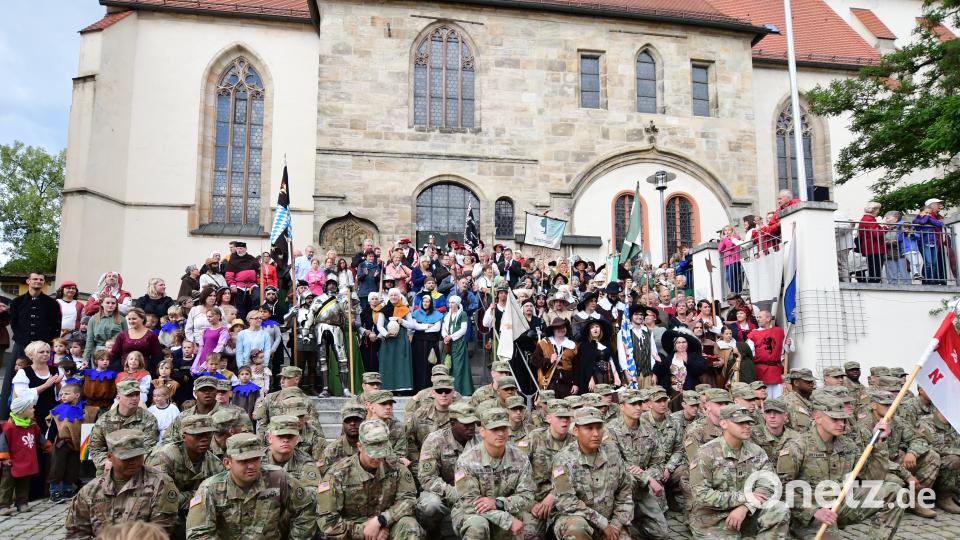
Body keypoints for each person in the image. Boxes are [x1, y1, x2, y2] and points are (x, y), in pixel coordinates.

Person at [777, 396, 904, 539]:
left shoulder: (847, 445)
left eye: (843, 419)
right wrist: (813, 511)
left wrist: (879, 441)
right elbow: (782, 489)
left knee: (895, 492)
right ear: (818, 418)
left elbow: (873, 478)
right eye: (835, 419)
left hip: (840, 505)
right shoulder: (797, 447)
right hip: (808, 515)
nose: (841, 424)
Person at [186, 433, 316, 539]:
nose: (251, 466)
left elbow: (305, 509)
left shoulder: (277, 478)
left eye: (255, 459)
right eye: (243, 461)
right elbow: (198, 534)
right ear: (227, 463)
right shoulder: (210, 489)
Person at [690, 404, 790, 538]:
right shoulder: (706, 453)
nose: (747, 426)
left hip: (749, 512)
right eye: (740, 422)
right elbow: (701, 495)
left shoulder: (756, 451)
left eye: (748, 422)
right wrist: (745, 497)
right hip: (713, 518)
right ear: (724, 424)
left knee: (779, 508)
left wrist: (746, 507)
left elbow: (769, 484)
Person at [317, 419, 422, 539]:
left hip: (386, 524)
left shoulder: (396, 467)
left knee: (409, 525)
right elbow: (327, 520)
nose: (378, 458)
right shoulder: (337, 474)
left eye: (382, 452)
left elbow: (409, 500)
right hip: (351, 530)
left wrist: (382, 520)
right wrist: (363, 531)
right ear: (360, 446)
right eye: (373, 453)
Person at [65, 429, 180, 539]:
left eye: (138, 456)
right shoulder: (90, 491)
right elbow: (76, 533)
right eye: (126, 458)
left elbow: (161, 529)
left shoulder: (161, 484)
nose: (133, 462)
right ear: (110, 457)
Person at [550, 406, 634, 540]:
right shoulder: (563, 459)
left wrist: (616, 525)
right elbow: (566, 501)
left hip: (610, 522)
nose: (596, 433)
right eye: (589, 428)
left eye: (599, 427)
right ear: (576, 431)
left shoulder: (612, 453)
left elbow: (625, 492)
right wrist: (602, 523)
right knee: (577, 529)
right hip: (576, 519)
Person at [452, 407, 537, 540]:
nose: (501, 434)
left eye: (504, 428)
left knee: (531, 529)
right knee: (477, 525)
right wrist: (506, 519)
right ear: (482, 432)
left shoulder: (520, 458)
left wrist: (499, 503)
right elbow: (469, 503)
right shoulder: (466, 460)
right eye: (495, 429)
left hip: (507, 508)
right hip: (471, 513)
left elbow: (528, 495)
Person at [605, 390, 670, 538]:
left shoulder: (649, 430)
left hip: (641, 490)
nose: (638, 407)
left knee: (661, 534)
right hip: (619, 493)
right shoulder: (611, 430)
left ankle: (636, 523)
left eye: (640, 403)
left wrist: (644, 475)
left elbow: (659, 463)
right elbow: (616, 464)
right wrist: (646, 477)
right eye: (633, 404)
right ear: (622, 406)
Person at [1, 272, 61, 420]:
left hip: (42, 348)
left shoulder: (51, 303)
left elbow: (55, 325)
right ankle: (5, 415)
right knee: (11, 377)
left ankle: (40, 414)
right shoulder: (17, 302)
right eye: (35, 279)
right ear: (28, 281)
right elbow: (14, 323)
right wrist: (25, 342)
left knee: (42, 377)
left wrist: (46, 344)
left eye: (41, 280)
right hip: (21, 345)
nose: (38, 281)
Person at [145, 414, 224, 523]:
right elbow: (161, 498)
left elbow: (220, 497)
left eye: (208, 434)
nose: (204, 439)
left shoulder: (215, 463)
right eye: (198, 435)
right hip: (162, 516)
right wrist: (202, 496)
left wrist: (185, 497)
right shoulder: (164, 457)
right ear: (183, 436)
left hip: (199, 516)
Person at [417, 402, 479, 535]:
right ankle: (432, 534)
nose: (471, 428)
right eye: (466, 424)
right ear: (452, 423)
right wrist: (453, 493)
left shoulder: (481, 439)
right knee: (431, 505)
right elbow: (427, 478)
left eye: (473, 423)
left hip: (475, 491)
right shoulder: (435, 440)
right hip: (443, 492)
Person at [87, 380, 160, 473]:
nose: (135, 398)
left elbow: (148, 448)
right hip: (111, 469)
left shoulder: (148, 419)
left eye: (137, 394)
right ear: (118, 397)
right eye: (129, 395)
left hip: (137, 468)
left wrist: (127, 465)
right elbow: (95, 447)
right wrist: (105, 461)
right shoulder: (104, 420)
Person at [0, 391, 49, 515]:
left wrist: (47, 446)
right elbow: (3, 443)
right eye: (30, 407)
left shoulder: (32, 425)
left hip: (27, 459)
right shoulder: (9, 427)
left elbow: (39, 437)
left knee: (24, 483)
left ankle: (22, 502)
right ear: (21, 411)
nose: (33, 409)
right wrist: (4, 458)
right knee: (7, 484)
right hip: (11, 462)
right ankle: (4, 505)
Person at [404, 376, 454, 477]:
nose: (443, 394)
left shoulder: (460, 415)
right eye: (439, 391)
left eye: (447, 391)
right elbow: (409, 440)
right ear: (433, 393)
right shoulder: (420, 414)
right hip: (423, 464)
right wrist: (418, 460)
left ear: (453, 393)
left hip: (453, 467)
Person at [11, 340, 62, 432]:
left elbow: (61, 395)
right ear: (31, 355)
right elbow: (22, 395)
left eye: (48, 352)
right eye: (41, 352)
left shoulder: (57, 370)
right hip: (32, 415)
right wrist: (46, 385)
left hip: (52, 414)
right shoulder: (24, 372)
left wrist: (58, 384)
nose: (46, 354)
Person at [46, 382, 84, 503]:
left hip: (77, 443)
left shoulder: (85, 409)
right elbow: (53, 427)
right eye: (62, 394)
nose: (63, 396)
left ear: (77, 395)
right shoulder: (58, 410)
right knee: (58, 466)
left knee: (73, 466)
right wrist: (49, 442)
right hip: (61, 443)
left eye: (67, 394)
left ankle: (68, 489)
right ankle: (54, 491)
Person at [917, 406, 960, 514]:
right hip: (931, 461)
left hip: (950, 458)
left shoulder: (955, 423)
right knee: (954, 460)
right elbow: (935, 447)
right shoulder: (926, 422)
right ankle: (944, 497)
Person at [263, 415, 320, 490]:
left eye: (290, 436)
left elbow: (312, 494)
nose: (285, 440)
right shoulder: (258, 460)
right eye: (280, 436)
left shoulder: (306, 462)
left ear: (297, 439)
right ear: (270, 438)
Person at [376, 288, 414, 393]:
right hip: (388, 340)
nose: (393, 297)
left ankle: (402, 388)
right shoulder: (384, 310)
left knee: (401, 363)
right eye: (391, 295)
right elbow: (379, 325)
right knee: (388, 363)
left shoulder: (405, 309)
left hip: (401, 340)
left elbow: (411, 325)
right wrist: (386, 334)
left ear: (399, 297)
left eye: (395, 295)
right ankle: (388, 387)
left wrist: (402, 321)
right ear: (389, 297)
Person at [162, 376, 220, 445]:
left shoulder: (229, 415)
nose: (207, 392)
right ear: (195, 393)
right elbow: (168, 440)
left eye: (211, 389)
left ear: (216, 392)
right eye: (203, 390)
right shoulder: (184, 416)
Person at [531, 317, 581, 398]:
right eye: (558, 327)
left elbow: (577, 367)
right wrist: (549, 361)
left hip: (568, 385)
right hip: (550, 384)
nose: (561, 329)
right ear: (553, 330)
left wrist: (576, 384)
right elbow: (534, 360)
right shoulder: (544, 343)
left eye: (563, 327)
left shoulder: (572, 345)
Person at [110, 308, 163, 373]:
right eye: (129, 319)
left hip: (144, 371)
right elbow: (114, 354)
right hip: (124, 370)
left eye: (134, 319)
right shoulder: (122, 335)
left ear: (143, 318)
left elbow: (157, 355)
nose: (131, 321)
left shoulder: (151, 335)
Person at [319, 403, 365, 475]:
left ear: (364, 422)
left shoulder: (371, 446)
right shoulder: (331, 450)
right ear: (343, 423)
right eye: (348, 420)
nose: (352, 423)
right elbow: (323, 479)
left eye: (356, 420)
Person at [443, 295, 474, 396]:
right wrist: (445, 336)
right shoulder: (447, 315)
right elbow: (444, 328)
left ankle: (460, 389)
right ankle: (447, 389)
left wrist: (451, 337)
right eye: (450, 303)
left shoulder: (463, 314)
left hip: (458, 343)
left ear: (457, 304)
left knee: (458, 366)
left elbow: (463, 329)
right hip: (448, 344)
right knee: (448, 365)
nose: (450, 305)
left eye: (452, 303)